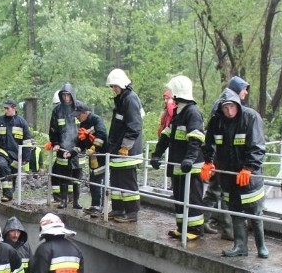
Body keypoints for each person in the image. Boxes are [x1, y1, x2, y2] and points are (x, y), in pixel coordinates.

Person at [202, 88, 269, 258]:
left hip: (249, 175)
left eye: (232, 107)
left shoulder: (251, 117)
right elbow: (209, 143)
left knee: (255, 211)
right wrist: (208, 162)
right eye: (225, 108)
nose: (229, 112)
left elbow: (258, 146)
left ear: (237, 105)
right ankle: (240, 246)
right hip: (228, 175)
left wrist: (249, 168)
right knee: (235, 210)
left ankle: (262, 246)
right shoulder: (217, 122)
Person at [150, 75, 206, 239]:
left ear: (177, 92)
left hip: (190, 166)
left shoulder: (192, 113)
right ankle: (182, 228)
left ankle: (195, 230)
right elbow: (167, 135)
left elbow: (195, 138)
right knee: (180, 197)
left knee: (192, 198)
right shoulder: (178, 112)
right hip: (178, 164)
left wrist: (189, 158)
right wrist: (157, 154)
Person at [203, 76, 251, 240]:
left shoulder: (236, 108)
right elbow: (214, 136)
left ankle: (206, 222)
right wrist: (210, 161)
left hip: (225, 159)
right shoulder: (222, 108)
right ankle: (227, 230)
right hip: (221, 160)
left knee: (218, 192)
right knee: (220, 192)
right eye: (244, 88)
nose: (246, 92)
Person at [105, 68, 144, 223]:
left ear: (122, 84)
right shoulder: (122, 99)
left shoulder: (130, 99)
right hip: (117, 149)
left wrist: (126, 146)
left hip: (127, 151)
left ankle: (132, 212)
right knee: (116, 180)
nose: (114, 89)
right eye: (112, 87)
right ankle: (118, 208)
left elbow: (135, 125)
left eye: (115, 86)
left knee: (128, 181)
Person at [0, 99, 35, 202]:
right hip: (1, 151)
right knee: (2, 166)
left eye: (7, 108)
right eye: (5, 108)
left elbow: (27, 141)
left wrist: (26, 157)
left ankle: (9, 191)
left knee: (12, 175)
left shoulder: (22, 122)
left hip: (16, 154)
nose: (6, 110)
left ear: (14, 108)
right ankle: (7, 194)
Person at [49, 83, 82, 209]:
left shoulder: (78, 108)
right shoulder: (57, 111)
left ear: (72, 95)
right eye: (64, 95)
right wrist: (55, 143)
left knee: (77, 178)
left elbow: (85, 127)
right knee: (64, 176)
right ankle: (63, 200)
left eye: (68, 95)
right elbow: (53, 129)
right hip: (62, 148)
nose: (66, 98)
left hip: (78, 149)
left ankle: (76, 202)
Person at [72, 101, 108, 216]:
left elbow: (101, 134)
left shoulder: (96, 120)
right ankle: (94, 206)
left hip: (101, 155)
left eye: (78, 115)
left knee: (98, 180)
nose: (77, 118)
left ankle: (99, 207)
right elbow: (81, 142)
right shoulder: (83, 124)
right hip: (92, 156)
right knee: (93, 180)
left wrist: (94, 148)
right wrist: (73, 152)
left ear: (85, 112)